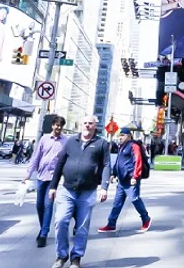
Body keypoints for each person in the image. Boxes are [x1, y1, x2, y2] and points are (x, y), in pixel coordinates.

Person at [48, 115, 110, 268]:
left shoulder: (102, 143)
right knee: (61, 221)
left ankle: (76, 258)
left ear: (95, 126)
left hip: (87, 192)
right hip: (67, 190)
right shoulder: (70, 141)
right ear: (80, 125)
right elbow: (60, 163)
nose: (87, 126)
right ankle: (61, 255)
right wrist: (53, 186)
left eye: (90, 123)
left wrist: (104, 187)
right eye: (85, 123)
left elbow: (107, 166)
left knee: (82, 227)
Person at [23, 115, 67, 247]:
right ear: (52, 125)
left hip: (54, 178)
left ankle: (43, 234)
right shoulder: (44, 139)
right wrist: (28, 174)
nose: (58, 128)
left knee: (48, 205)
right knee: (39, 205)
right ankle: (43, 228)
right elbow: (36, 157)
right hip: (41, 176)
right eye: (56, 125)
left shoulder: (66, 141)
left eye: (60, 125)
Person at [97, 128, 151, 233]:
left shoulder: (133, 146)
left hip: (131, 179)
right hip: (121, 180)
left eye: (122, 135)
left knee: (135, 199)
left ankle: (146, 219)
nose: (120, 137)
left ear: (129, 136)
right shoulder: (121, 147)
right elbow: (118, 162)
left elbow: (138, 161)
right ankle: (111, 224)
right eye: (119, 135)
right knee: (117, 202)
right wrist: (114, 174)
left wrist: (135, 176)